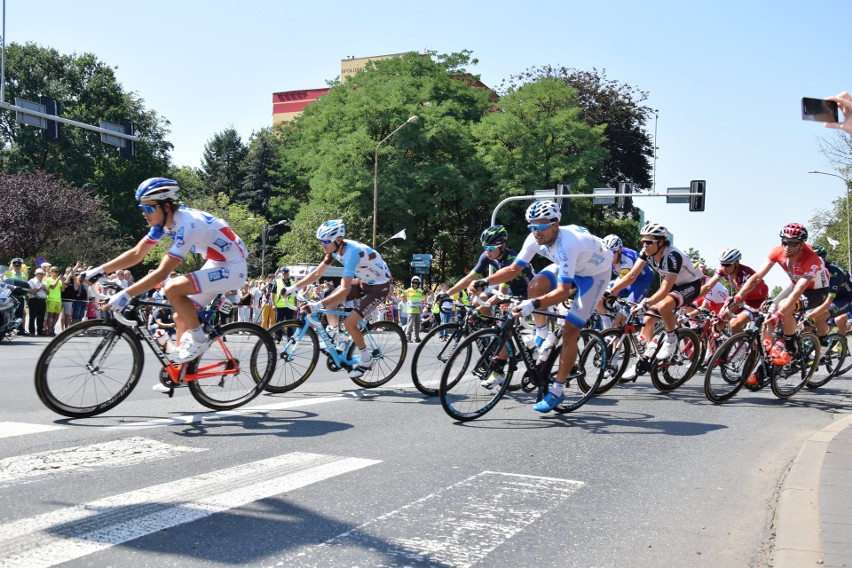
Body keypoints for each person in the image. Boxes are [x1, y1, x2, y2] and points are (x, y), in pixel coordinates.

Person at [83, 177, 249, 372]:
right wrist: (100, 270)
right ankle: (180, 370)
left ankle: (199, 339)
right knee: (180, 317)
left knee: (172, 287)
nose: (144, 214)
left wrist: (127, 294)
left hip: (233, 267)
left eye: (148, 209)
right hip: (218, 262)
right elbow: (137, 253)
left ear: (166, 205)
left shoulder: (188, 225)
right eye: (142, 209)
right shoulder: (164, 223)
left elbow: (163, 272)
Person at [472, 200, 613, 413]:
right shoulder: (534, 239)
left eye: (540, 227)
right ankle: (541, 333)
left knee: (569, 331)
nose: (535, 232)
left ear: (555, 224)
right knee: (535, 285)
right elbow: (512, 270)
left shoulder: (568, 244)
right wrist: (485, 282)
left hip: (595, 275)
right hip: (569, 264)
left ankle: (557, 390)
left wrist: (533, 304)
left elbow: (563, 292)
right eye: (531, 226)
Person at [284, 219, 392, 379]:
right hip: (364, 282)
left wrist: (316, 305)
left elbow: (343, 290)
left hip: (379, 287)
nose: (323, 245)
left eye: (326, 241)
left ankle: (366, 358)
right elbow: (316, 274)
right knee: (330, 299)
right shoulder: (335, 249)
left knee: (349, 322)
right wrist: (293, 288)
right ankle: (334, 332)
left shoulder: (352, 253)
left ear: (339, 239)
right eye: (321, 241)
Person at [607, 222, 704, 381]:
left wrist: (646, 302)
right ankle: (643, 358)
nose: (645, 245)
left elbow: (666, 288)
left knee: (664, 305)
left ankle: (671, 339)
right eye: (643, 241)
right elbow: (631, 276)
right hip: (673, 286)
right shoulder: (646, 253)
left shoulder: (673, 256)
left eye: (649, 242)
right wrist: (610, 292)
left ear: (660, 242)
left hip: (690, 285)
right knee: (648, 318)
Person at [735, 223, 830, 371]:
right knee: (769, 313)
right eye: (784, 242)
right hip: (796, 284)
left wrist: (780, 313)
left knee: (784, 307)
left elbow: (799, 290)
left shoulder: (812, 259)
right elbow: (757, 277)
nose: (787, 247)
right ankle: (770, 355)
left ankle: (790, 345)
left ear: (801, 244)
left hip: (817, 291)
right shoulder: (777, 252)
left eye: (792, 243)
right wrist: (738, 296)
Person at [702, 248, 768, 335]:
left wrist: (723, 313)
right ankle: (720, 345)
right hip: (741, 298)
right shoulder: (723, 270)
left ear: (736, 263)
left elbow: (741, 297)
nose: (724, 268)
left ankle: (745, 347)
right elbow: (708, 286)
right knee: (716, 327)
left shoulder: (745, 274)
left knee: (734, 324)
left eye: (727, 265)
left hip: (757, 301)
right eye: (722, 264)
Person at [599, 234, 656, 328]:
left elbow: (625, 281)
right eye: (606, 253)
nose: (608, 256)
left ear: (619, 250)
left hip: (641, 283)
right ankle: (607, 330)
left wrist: (610, 294)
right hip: (625, 280)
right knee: (598, 296)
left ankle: (616, 331)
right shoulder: (609, 257)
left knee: (618, 322)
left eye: (612, 253)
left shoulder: (628, 258)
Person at [803, 245, 852, 335]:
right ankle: (816, 341)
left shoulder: (835, 273)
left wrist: (810, 316)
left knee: (819, 317)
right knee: (808, 323)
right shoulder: (812, 272)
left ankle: (831, 343)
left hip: (846, 299)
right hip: (833, 298)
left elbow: (829, 300)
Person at [4, 258, 29, 335]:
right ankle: (9, 330)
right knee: (11, 313)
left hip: (20, 296)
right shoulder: (8, 273)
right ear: (13, 265)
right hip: (11, 296)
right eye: (16, 265)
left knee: (20, 313)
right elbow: (4, 282)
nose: (18, 266)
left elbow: (26, 284)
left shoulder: (23, 274)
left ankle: (20, 329)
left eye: (19, 265)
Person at [401, 276, 424, 342]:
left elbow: (423, 297)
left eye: (417, 283)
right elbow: (402, 292)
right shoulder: (409, 290)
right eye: (414, 283)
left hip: (418, 311)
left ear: (419, 284)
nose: (415, 284)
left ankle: (417, 338)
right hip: (411, 311)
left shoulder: (420, 291)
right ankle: (408, 338)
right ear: (412, 283)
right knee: (410, 325)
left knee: (417, 326)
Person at [27, 268, 48, 335]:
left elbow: (48, 293)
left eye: (42, 274)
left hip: (42, 300)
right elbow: (31, 291)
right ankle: (32, 332)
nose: (41, 275)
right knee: (32, 317)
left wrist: (44, 288)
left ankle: (40, 331)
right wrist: (39, 289)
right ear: (36, 274)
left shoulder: (43, 282)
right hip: (34, 300)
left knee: (41, 317)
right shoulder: (31, 281)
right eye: (40, 274)